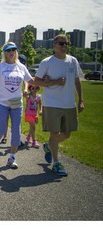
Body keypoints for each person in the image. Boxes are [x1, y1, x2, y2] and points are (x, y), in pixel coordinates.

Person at [34, 34, 84, 176]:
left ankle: (48, 146)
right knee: (54, 133)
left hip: (69, 104)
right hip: (52, 103)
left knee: (67, 134)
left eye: (66, 43)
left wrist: (81, 100)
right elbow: (36, 81)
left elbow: (77, 82)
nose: (64, 46)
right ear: (54, 46)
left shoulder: (72, 61)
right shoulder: (47, 62)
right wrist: (54, 82)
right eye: (61, 43)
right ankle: (56, 162)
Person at [0, 42, 36, 169]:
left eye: (13, 49)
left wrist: (47, 81)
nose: (11, 52)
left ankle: (12, 157)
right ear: (4, 53)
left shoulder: (21, 67)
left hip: (17, 103)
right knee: (1, 129)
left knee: (16, 131)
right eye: (8, 50)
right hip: (1, 102)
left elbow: (31, 81)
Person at [24, 84, 42, 148]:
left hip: (35, 114)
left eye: (36, 88)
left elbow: (40, 104)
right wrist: (25, 90)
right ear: (30, 89)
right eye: (33, 88)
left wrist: (41, 110)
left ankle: (28, 137)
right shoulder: (28, 96)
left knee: (32, 126)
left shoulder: (38, 97)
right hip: (28, 114)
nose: (35, 90)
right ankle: (34, 142)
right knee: (33, 127)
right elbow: (25, 95)